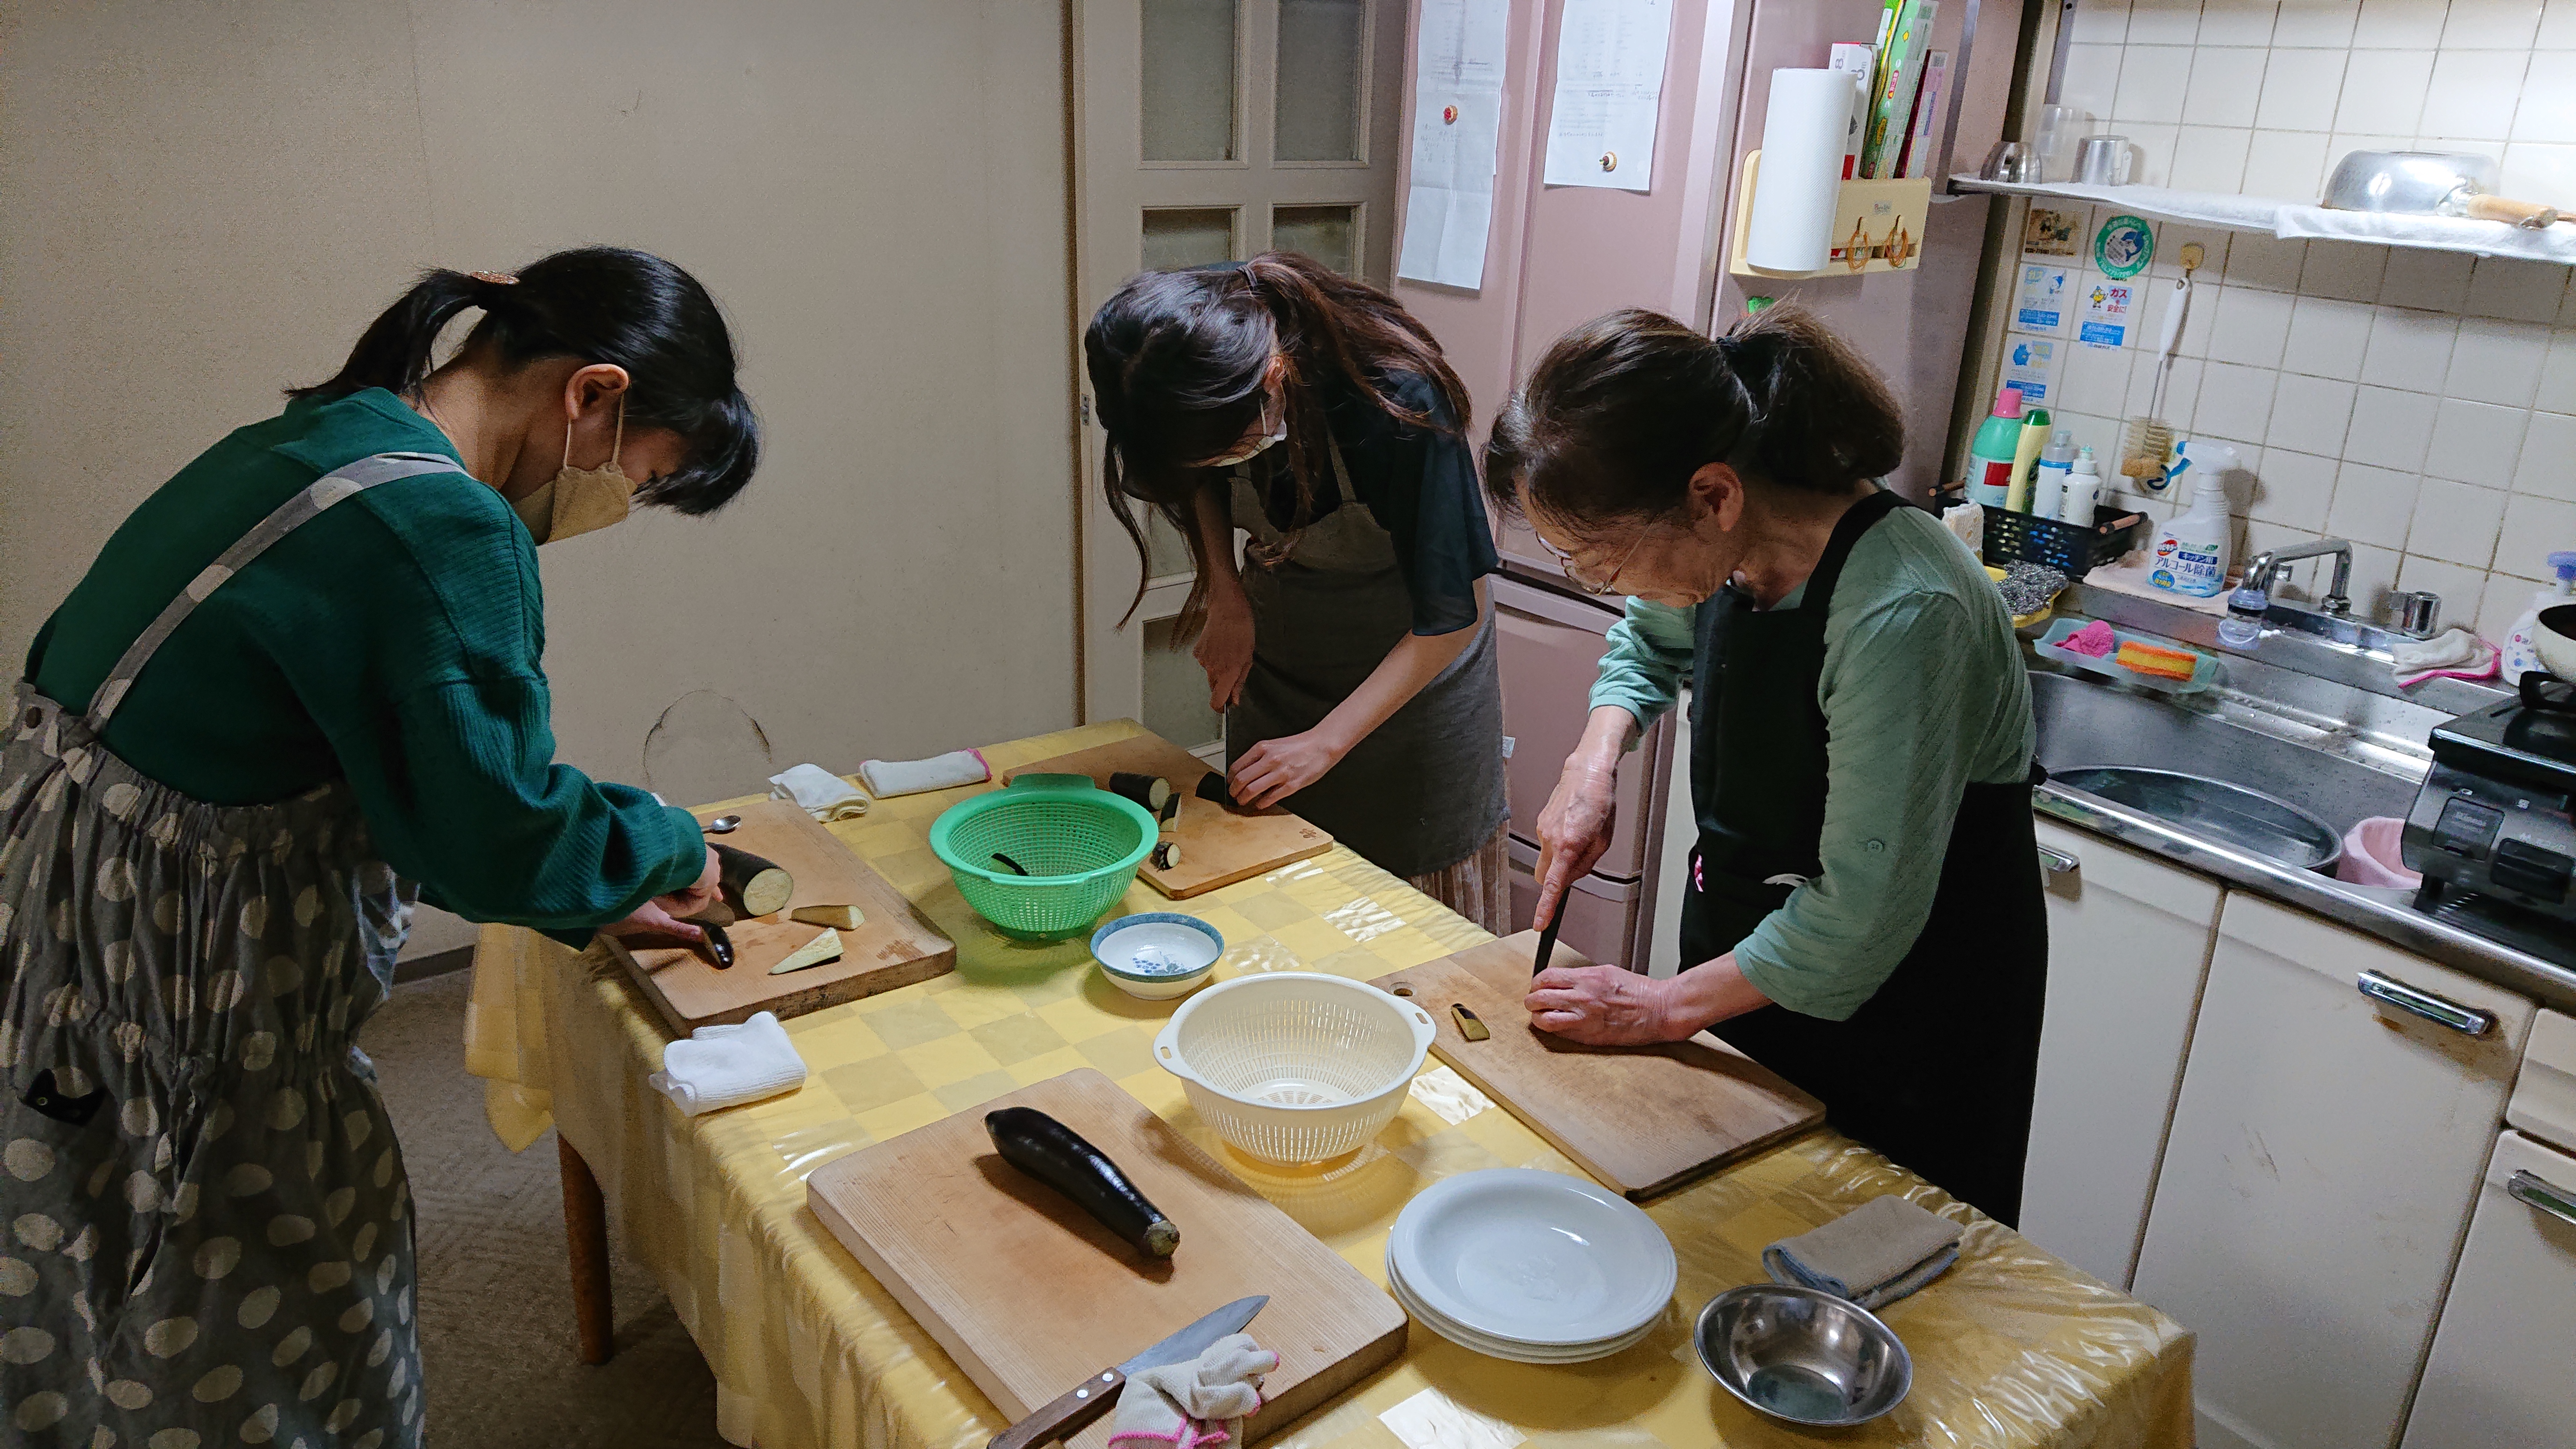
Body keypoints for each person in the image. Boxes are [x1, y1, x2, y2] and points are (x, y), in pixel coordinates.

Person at [0, 247, 759, 1448]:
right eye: (641, 477)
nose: (613, 505)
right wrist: (666, 846)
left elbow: (407, 772)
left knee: (91, 1252)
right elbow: (494, 835)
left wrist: (582, 888)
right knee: (255, 1292)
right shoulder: (438, 522)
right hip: (180, 965)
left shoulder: (334, 436)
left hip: (64, 894)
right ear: (593, 396)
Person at [1486, 306, 2046, 1224]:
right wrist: (1593, 762)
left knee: (1877, 1281)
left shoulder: (1903, 611)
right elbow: (1648, 641)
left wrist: (1662, 1007)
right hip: (1753, 958)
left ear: (1712, 497)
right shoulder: (1728, 553)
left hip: (1910, 1013)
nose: (1598, 584)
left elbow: (1860, 918)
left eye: (1603, 558)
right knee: (1736, 1227)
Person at [1083, 254, 1510, 929]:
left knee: (1405, 932)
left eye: (1226, 447)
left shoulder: (1396, 400)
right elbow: (1199, 480)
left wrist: (1326, 743)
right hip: (1285, 656)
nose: (1221, 464)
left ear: (1273, 379)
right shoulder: (1185, 363)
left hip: (1414, 680)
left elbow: (1450, 617)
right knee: (1278, 898)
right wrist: (1227, 596)